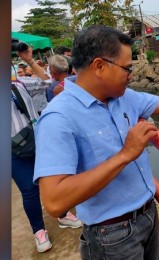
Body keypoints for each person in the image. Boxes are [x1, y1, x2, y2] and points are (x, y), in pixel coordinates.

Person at [33, 25, 159, 260]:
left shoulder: (124, 97)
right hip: (110, 236)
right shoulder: (58, 118)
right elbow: (54, 202)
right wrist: (125, 154)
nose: (130, 75)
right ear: (99, 66)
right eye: (126, 68)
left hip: (148, 216)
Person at [12, 46, 83, 253]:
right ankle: (39, 230)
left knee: (53, 179)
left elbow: (46, 81)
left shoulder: (19, 84)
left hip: (37, 141)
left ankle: (62, 215)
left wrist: (29, 60)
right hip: (12, 152)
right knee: (29, 190)